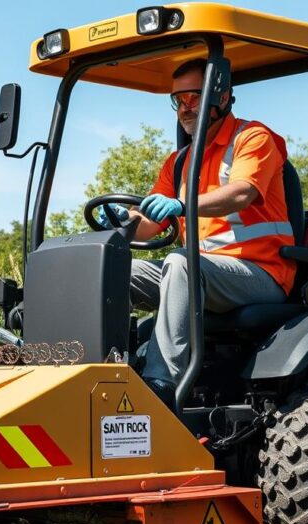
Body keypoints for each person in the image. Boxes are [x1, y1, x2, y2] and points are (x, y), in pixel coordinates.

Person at [102, 59, 295, 408]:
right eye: (178, 100)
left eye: (193, 97)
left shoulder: (253, 138)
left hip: (261, 273)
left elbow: (241, 193)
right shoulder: (179, 162)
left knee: (181, 263)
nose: (184, 108)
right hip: (203, 272)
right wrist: (123, 225)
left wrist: (181, 204)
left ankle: (161, 386)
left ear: (220, 97)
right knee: (112, 270)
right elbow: (150, 223)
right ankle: (93, 371)